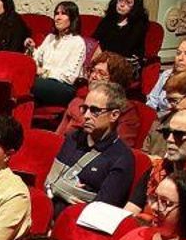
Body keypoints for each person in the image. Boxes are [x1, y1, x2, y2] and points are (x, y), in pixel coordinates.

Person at [44, 82, 135, 211]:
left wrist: (62, 187)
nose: (86, 116)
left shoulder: (122, 158)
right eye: (84, 108)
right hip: (48, 209)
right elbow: (50, 181)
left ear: (114, 115)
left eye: (95, 111)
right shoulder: (73, 138)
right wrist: (66, 189)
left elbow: (101, 210)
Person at [31, 2, 88, 108]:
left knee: (29, 82)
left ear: (72, 18)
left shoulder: (77, 42)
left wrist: (46, 72)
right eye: (56, 13)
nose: (58, 17)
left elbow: (70, 77)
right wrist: (31, 49)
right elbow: (36, 59)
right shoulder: (50, 38)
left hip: (64, 87)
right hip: (43, 82)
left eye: (63, 14)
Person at [93, 0, 151, 76]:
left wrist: (103, 56)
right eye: (120, 0)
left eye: (128, 2)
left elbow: (124, 50)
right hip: (106, 61)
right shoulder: (108, 20)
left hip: (127, 64)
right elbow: (94, 40)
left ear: (135, 6)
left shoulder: (139, 25)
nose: (122, 4)